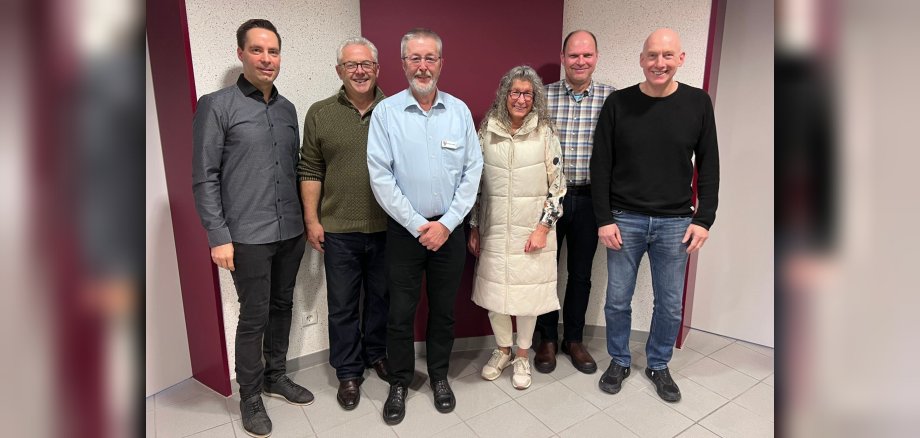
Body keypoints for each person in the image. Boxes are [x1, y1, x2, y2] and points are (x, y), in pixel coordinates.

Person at [192, 19, 313, 438]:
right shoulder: (216, 105)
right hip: (246, 236)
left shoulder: (287, 109)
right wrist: (218, 235)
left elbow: (296, 169)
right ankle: (249, 395)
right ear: (241, 53)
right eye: (258, 50)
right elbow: (204, 176)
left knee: (283, 306)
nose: (267, 59)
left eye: (274, 51)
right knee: (254, 315)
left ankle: (275, 375)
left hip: (290, 231)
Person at [591, 28, 720, 403]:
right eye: (652, 55)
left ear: (681, 59)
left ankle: (658, 364)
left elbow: (709, 165)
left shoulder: (698, 103)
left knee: (669, 303)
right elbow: (601, 164)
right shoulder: (619, 104)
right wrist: (604, 218)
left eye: (667, 56)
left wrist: (704, 218)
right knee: (617, 299)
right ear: (641, 59)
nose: (658, 63)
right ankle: (618, 359)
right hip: (624, 219)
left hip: (676, 224)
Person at [367, 28, 483, 425]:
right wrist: (420, 225)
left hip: (448, 233)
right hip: (405, 231)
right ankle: (399, 382)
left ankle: (438, 377)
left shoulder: (460, 112)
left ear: (441, 63)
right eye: (414, 58)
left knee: (443, 312)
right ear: (402, 64)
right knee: (400, 312)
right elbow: (381, 177)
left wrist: (447, 223)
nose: (422, 66)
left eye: (429, 58)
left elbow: (473, 171)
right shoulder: (386, 113)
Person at [297, 37, 389, 411]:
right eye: (351, 65)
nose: (359, 71)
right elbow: (310, 168)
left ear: (378, 69)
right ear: (339, 71)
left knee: (382, 300)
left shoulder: (396, 109)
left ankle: (376, 353)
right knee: (342, 306)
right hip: (338, 230)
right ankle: (348, 372)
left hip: (388, 228)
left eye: (366, 64)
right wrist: (311, 219)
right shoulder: (320, 113)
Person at [468, 66, 566, 390]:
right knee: (496, 298)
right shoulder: (488, 130)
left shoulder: (545, 133)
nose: (520, 99)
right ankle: (502, 350)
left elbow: (558, 187)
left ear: (535, 97)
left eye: (527, 93)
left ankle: (522, 354)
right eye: (515, 92)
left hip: (531, 234)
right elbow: (477, 185)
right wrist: (474, 226)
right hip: (494, 229)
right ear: (504, 95)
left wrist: (543, 227)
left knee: (527, 299)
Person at [535, 30, 615, 375]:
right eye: (573, 55)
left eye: (587, 55)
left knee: (581, 274)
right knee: (545, 273)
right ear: (563, 56)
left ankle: (575, 339)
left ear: (596, 57)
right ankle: (547, 340)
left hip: (589, 200)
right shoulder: (544, 97)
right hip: (549, 201)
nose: (580, 62)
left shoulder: (612, 99)